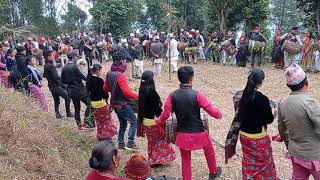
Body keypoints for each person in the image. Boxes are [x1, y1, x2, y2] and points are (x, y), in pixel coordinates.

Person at [156, 66, 222, 180]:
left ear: (179, 79)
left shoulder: (172, 95)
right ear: (192, 79)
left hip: (182, 134)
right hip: (199, 132)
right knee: (209, 149)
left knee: (186, 159)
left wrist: (158, 122)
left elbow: (166, 114)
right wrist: (219, 114)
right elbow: (212, 110)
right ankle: (213, 172)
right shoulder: (197, 95)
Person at [278, 64, 320, 179]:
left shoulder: (283, 103)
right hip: (314, 155)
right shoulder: (310, 103)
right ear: (306, 83)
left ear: (288, 85)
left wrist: (288, 146)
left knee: (298, 177)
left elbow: (282, 130)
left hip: (295, 153)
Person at [236, 68, 277, 179]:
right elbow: (269, 119)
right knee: (264, 164)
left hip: (244, 135)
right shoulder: (262, 99)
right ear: (261, 81)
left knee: (249, 162)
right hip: (258, 137)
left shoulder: (239, 96)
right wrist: (273, 112)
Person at [137, 71, 176, 167]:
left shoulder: (141, 90)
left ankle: (153, 159)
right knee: (161, 140)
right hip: (153, 122)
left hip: (144, 121)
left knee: (151, 141)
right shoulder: (152, 92)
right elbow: (157, 110)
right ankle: (156, 160)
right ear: (151, 79)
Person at [103, 54, 139, 150]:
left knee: (123, 123)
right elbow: (126, 92)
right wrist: (138, 96)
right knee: (134, 122)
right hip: (122, 104)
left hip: (114, 104)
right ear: (121, 62)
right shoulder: (120, 75)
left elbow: (105, 88)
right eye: (125, 61)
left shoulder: (109, 73)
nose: (126, 63)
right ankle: (131, 142)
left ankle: (121, 143)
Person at [61, 51, 93, 130]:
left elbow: (62, 81)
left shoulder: (64, 67)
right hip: (80, 90)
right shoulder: (74, 66)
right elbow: (83, 77)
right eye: (76, 57)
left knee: (77, 109)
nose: (77, 58)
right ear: (73, 57)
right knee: (90, 104)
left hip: (71, 91)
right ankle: (86, 122)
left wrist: (68, 88)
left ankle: (79, 126)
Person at [87, 64, 118, 141]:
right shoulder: (99, 81)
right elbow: (104, 93)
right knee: (106, 120)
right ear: (97, 71)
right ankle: (105, 136)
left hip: (93, 104)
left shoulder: (89, 79)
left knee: (98, 121)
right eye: (100, 70)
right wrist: (107, 100)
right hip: (101, 103)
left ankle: (100, 135)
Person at [43, 50, 72, 119]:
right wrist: (62, 85)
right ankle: (68, 113)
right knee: (67, 98)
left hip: (51, 86)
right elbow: (56, 77)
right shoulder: (50, 66)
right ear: (48, 57)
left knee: (56, 100)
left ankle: (57, 114)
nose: (53, 56)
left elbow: (44, 75)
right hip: (56, 86)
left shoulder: (46, 65)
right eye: (52, 55)